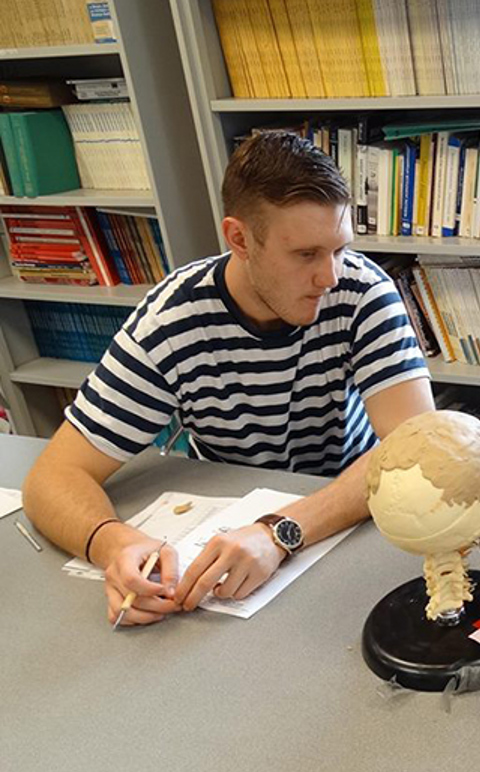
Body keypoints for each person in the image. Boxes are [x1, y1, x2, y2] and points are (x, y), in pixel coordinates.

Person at [23, 131, 434, 626]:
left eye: (340, 248)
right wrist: (115, 543)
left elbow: (416, 446)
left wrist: (279, 532)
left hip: (346, 511)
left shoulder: (363, 293)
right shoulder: (172, 322)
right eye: (306, 254)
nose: (330, 275)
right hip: (224, 538)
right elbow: (53, 477)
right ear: (239, 239)